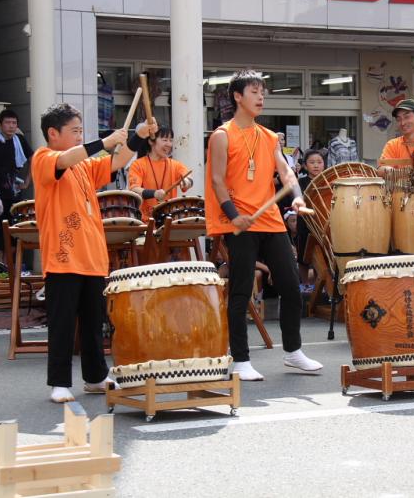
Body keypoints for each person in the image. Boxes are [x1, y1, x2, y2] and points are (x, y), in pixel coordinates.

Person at [206, 68, 322, 381]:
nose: (260, 98)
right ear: (237, 96)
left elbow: (285, 172)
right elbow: (217, 180)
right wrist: (233, 215)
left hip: (270, 221)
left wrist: (297, 197)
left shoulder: (269, 137)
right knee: (241, 290)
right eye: (254, 92)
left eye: (262, 93)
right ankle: (241, 359)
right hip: (241, 222)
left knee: (291, 287)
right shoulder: (222, 136)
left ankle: (293, 351)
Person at [31, 103, 138, 403]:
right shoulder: (43, 158)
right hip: (63, 258)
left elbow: (117, 161)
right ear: (53, 133)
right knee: (62, 324)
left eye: (81, 131)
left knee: (94, 324)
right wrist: (103, 142)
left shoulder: (84, 166)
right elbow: (66, 158)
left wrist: (139, 137)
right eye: (74, 131)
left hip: (91, 257)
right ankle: (59, 382)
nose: (79, 136)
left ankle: (95, 377)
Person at [0, 110, 34, 263]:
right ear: (0, 124)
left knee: (14, 228)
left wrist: (27, 181)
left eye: (14, 123)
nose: (11, 126)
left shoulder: (19, 140)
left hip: (14, 191)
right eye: (7, 123)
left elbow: (34, 158)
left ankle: (9, 265)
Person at [127, 124, 192, 222]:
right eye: (165, 140)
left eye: (171, 140)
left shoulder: (175, 165)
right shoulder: (138, 164)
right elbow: (134, 189)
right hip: (145, 222)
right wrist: (154, 193)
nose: (169, 144)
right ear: (151, 141)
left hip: (169, 221)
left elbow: (189, 177)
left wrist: (186, 182)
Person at [378, 99, 414, 171]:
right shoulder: (393, 145)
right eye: (398, 119)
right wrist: (401, 173)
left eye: (407, 117)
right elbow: (381, 169)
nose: (402, 123)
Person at [297, 149, 325, 286]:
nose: (316, 165)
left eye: (319, 162)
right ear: (305, 165)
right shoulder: (300, 182)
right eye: (312, 162)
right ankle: (305, 285)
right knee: (304, 256)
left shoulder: (328, 180)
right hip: (305, 222)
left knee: (320, 256)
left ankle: (318, 286)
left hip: (322, 223)